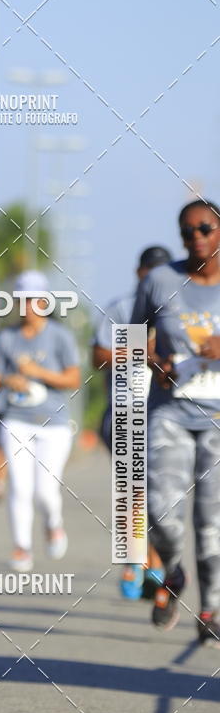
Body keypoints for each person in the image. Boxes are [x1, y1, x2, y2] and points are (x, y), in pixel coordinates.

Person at [131, 200, 220, 646]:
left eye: (205, 228)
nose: (196, 237)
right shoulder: (162, 281)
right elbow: (127, 340)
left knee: (211, 522)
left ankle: (211, 609)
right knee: (163, 513)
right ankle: (173, 569)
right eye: (187, 232)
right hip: (169, 411)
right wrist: (152, 360)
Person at [92, 245, 171, 600]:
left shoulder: (183, 311)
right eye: (149, 272)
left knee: (163, 495)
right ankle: (135, 560)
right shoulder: (120, 308)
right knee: (133, 491)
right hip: (126, 410)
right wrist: (142, 350)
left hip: (170, 415)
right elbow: (98, 356)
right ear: (139, 274)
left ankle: (155, 561)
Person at [0, 271, 81, 571]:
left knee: (45, 490)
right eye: (22, 299)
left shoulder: (60, 336)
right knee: (19, 486)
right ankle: (22, 547)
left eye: (33, 299)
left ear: (45, 301)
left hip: (54, 423)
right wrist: (9, 379)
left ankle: (53, 523)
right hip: (16, 419)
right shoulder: (6, 337)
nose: (27, 305)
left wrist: (37, 372)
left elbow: (73, 378)